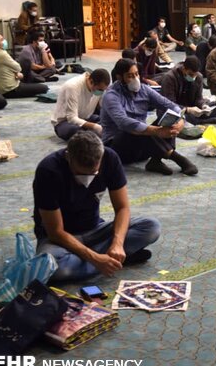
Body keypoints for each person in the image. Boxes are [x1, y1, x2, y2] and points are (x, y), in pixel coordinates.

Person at [33, 131, 162, 281]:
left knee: (151, 227)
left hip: (95, 229)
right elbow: (55, 232)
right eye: (79, 173)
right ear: (68, 157)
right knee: (53, 268)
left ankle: (103, 259)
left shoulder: (110, 158)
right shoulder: (48, 171)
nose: (87, 179)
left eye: (94, 173)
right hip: (60, 238)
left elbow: (122, 208)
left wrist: (117, 244)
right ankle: (111, 261)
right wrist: (95, 258)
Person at [100, 58, 197, 176]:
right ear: (120, 77)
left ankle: (155, 161)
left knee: (169, 121)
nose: (135, 79)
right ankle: (179, 160)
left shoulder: (144, 89)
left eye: (136, 74)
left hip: (141, 148)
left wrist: (180, 120)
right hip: (118, 148)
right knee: (138, 129)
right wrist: (156, 131)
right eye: (130, 76)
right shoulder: (111, 95)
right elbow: (123, 122)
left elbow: (169, 104)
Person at [160, 56, 216, 125]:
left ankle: (198, 119)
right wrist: (187, 109)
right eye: (190, 74)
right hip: (175, 109)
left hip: (192, 108)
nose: (193, 77)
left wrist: (203, 105)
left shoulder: (199, 77)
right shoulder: (170, 78)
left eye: (195, 75)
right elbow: (168, 104)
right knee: (184, 117)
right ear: (184, 69)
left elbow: (198, 98)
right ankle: (202, 121)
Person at [51, 69, 110, 141]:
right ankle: (92, 135)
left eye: (103, 90)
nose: (101, 92)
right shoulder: (72, 87)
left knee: (107, 121)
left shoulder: (99, 87)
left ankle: (92, 134)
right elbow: (72, 118)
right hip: (65, 122)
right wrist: (95, 126)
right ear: (91, 82)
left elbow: (102, 108)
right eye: (100, 90)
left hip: (85, 117)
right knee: (76, 131)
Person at [0, 32, 48, 99]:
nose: (4, 41)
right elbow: (18, 67)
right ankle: (34, 81)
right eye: (2, 40)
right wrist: (16, 72)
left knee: (26, 62)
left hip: (9, 85)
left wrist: (16, 72)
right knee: (44, 88)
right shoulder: (2, 54)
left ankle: (32, 82)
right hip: (11, 89)